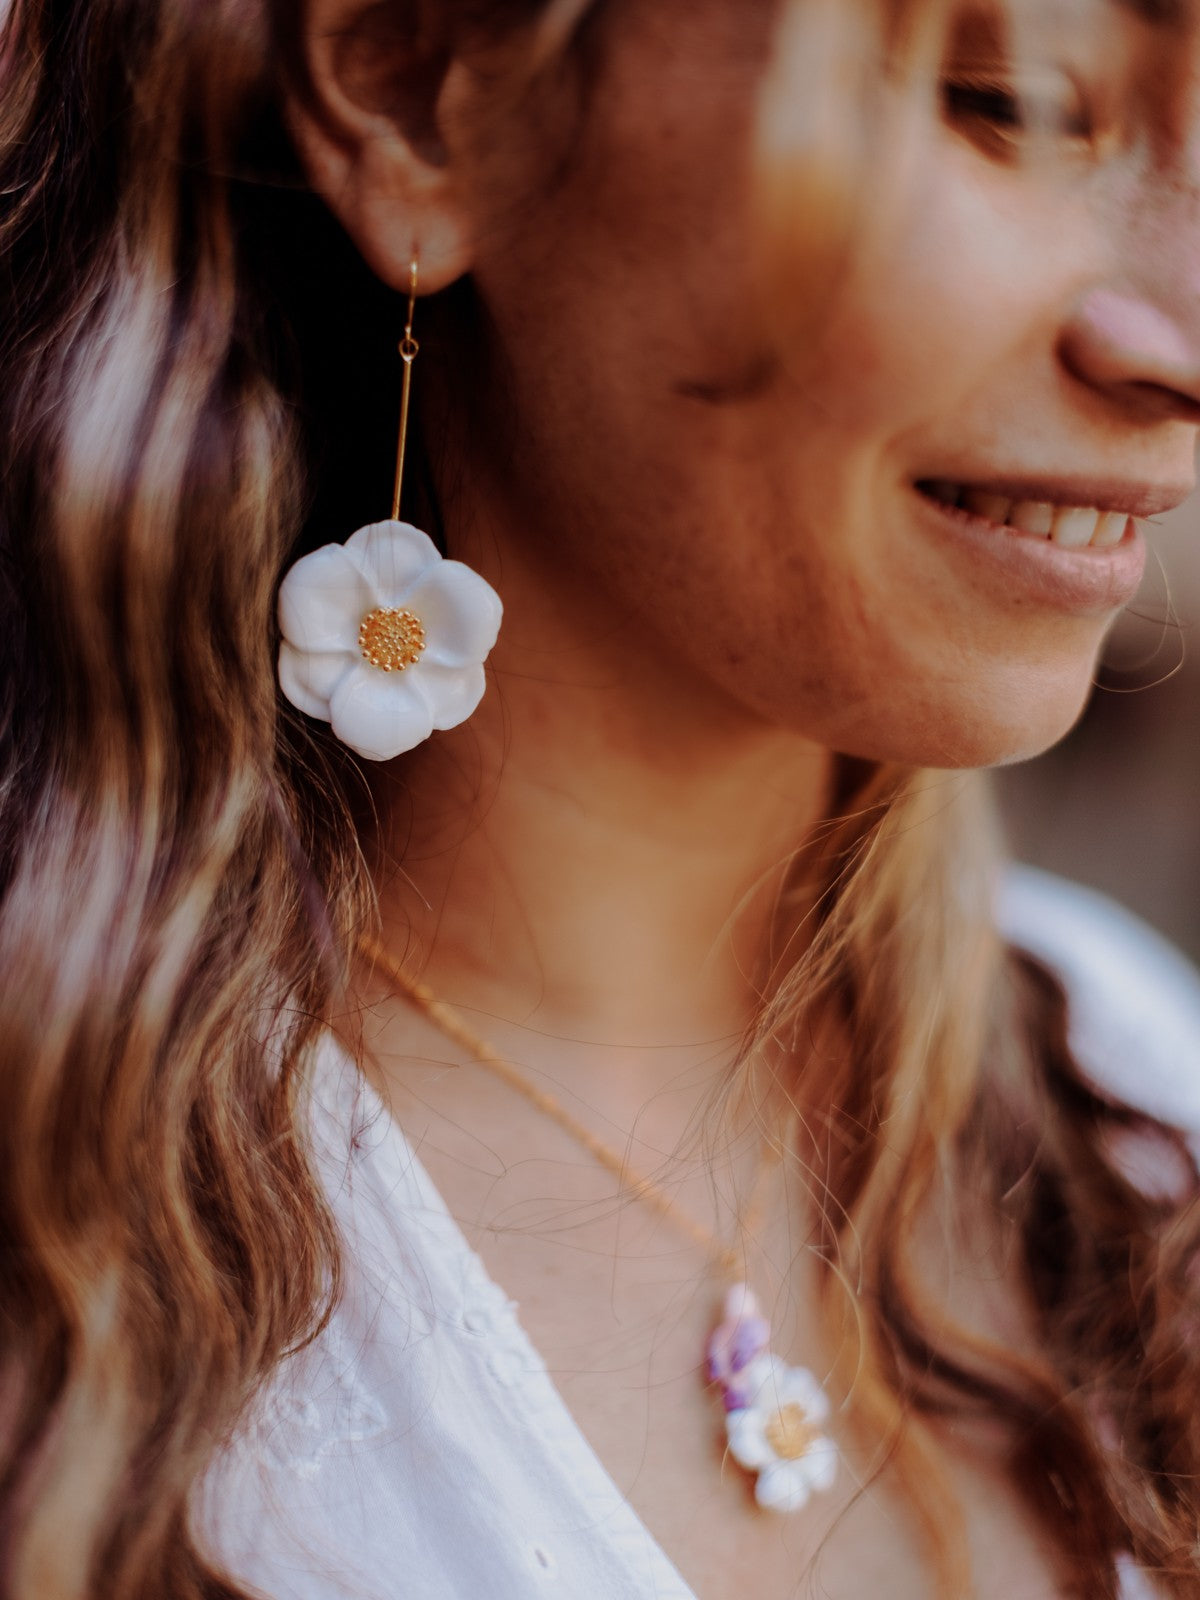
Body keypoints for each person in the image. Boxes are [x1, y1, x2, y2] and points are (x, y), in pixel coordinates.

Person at [1, 0, 1199, 1596]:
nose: (1179, 334)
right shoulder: (56, 1276)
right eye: (1011, 107)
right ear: (418, 92)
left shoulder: (1141, 1092)